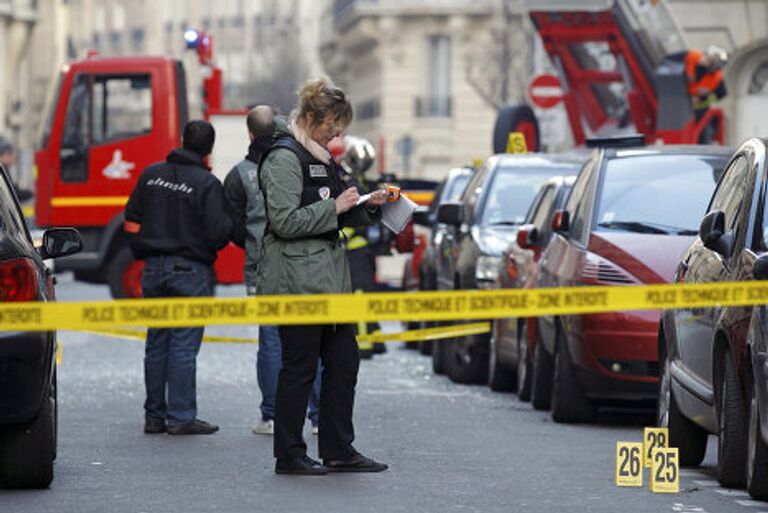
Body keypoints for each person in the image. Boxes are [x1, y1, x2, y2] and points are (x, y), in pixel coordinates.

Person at [256, 78, 389, 475]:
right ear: (311, 117)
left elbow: (340, 205)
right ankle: (290, 454)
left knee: (344, 362)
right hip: (298, 277)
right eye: (332, 122)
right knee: (299, 368)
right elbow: (283, 221)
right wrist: (334, 208)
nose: (338, 132)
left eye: (340, 124)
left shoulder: (321, 156)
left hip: (330, 278)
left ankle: (338, 449)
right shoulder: (284, 157)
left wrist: (370, 205)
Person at [124, 119, 232, 435]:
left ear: (182, 139)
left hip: (153, 269)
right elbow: (219, 233)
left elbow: (131, 219)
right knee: (183, 345)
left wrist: (140, 250)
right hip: (189, 270)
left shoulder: (151, 174)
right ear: (209, 149)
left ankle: (154, 416)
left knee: (156, 341)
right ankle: (182, 417)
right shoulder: (207, 183)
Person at [222, 105, 321, 436]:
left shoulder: (239, 174)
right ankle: (319, 415)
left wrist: (254, 243)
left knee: (272, 341)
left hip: (263, 267)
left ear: (250, 134)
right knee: (312, 340)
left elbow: (232, 226)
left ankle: (272, 415)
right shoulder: (301, 163)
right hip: (305, 263)